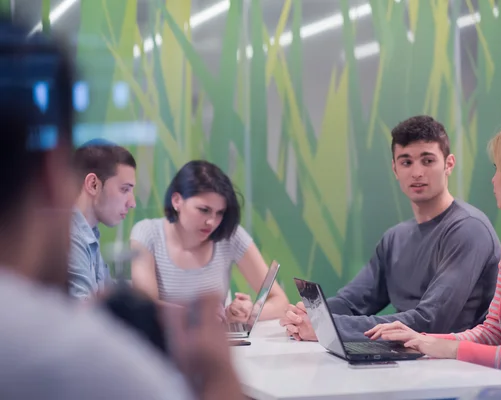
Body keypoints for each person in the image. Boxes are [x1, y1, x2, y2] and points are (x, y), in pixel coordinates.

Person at [0, 19, 242, 400]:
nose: (132, 202)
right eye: (125, 189)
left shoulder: (91, 242)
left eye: (219, 213)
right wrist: (218, 377)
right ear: (54, 173)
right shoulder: (71, 357)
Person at [365, 120, 501, 370]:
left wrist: (450, 348)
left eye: (499, 168)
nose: (494, 179)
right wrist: (422, 340)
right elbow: (493, 333)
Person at [281, 115, 501, 341]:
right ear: (395, 169)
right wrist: (311, 314)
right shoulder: (395, 238)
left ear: (449, 164)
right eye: (406, 162)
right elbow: (352, 302)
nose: (417, 172)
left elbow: (430, 321)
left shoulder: (469, 229)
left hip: (457, 365)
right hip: (405, 360)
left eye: (428, 161)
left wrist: (327, 327)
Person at [130, 160, 289, 321]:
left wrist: (249, 313)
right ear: (177, 200)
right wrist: (197, 315)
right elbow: (145, 307)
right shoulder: (147, 233)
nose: (212, 222)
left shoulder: (231, 236)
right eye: (204, 210)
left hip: (214, 343)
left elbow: (280, 301)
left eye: (220, 213)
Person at [68, 141, 137, 299]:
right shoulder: (70, 238)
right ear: (93, 184)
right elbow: (82, 318)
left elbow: (110, 298)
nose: (132, 203)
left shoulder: (89, 233)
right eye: (124, 189)